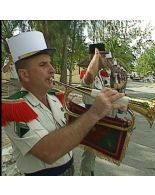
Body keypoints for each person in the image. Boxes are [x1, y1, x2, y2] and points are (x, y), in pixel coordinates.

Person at [2, 31, 126, 176]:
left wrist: (108, 120)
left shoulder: (55, 98)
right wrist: (94, 114)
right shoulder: (13, 108)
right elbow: (49, 152)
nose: (52, 70)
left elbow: (72, 131)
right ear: (24, 74)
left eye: (50, 63)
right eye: (43, 65)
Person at [79, 43, 116, 176]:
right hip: (90, 116)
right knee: (89, 152)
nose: (107, 60)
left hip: (98, 115)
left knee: (93, 152)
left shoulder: (100, 75)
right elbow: (88, 77)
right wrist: (96, 57)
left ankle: (89, 173)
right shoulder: (88, 72)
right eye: (104, 56)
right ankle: (85, 175)